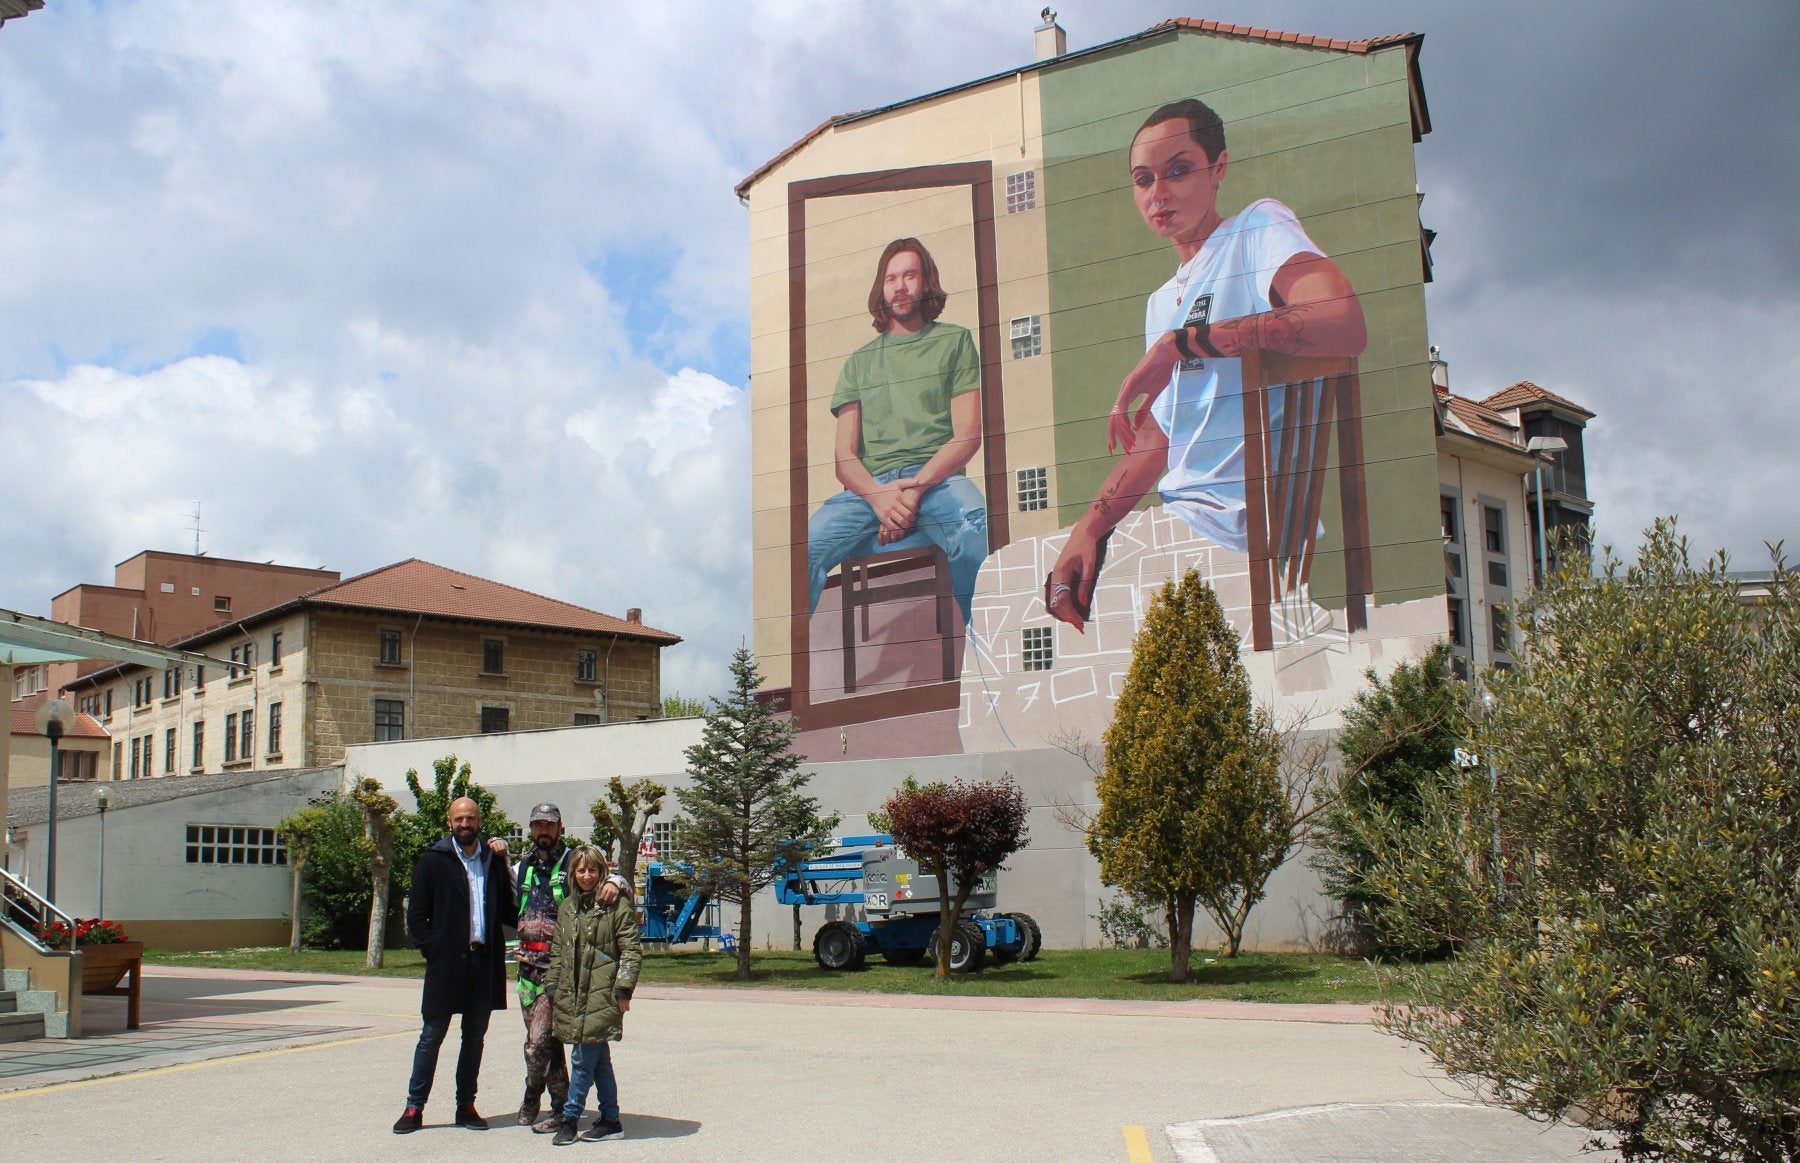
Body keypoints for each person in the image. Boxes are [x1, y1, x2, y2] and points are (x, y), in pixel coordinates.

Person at [1046, 97, 1367, 630]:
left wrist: (1184, 344)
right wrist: (1089, 527)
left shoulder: (1256, 229)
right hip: (1186, 524)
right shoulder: (1161, 302)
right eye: (1143, 180)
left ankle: (1293, 625)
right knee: (1054, 571)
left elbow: (1343, 321)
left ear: (1219, 168)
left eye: (1177, 171)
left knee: (1004, 586)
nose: (1159, 193)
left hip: (1244, 528)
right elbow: (1160, 439)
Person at [806, 237, 988, 623]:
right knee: (802, 548)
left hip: (937, 481)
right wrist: (881, 500)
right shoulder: (859, 362)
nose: (900, 286)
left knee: (976, 530)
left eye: (909, 275)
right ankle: (786, 671)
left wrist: (913, 491)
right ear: (881, 287)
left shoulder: (954, 341)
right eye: (891, 278)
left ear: (926, 282)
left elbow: (968, 434)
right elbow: (844, 458)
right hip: (869, 491)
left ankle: (983, 659)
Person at [393, 796, 515, 1134]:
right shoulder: (434, 860)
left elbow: (509, 909)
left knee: (474, 1038)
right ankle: (414, 1107)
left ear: (479, 821)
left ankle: (466, 1105)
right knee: (431, 1036)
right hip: (446, 965)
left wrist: (506, 861)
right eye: (459, 819)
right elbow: (417, 917)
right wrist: (435, 950)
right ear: (450, 823)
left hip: (483, 963)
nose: (465, 824)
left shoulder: (491, 859)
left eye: (471, 818)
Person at [511, 803, 630, 1132]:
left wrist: (617, 883)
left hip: (561, 969)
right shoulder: (524, 867)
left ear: (560, 826)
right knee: (545, 1045)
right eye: (537, 825)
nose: (543, 831)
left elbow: (610, 875)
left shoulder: (574, 860)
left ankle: (552, 1104)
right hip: (527, 971)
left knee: (539, 1045)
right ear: (531, 829)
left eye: (549, 825)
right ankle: (559, 1104)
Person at [545, 845, 641, 1145]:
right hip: (572, 995)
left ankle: (570, 1119)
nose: (587, 876)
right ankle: (611, 1120)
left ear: (602, 872)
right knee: (598, 1061)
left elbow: (631, 951)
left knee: (582, 1060)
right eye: (581, 870)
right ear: (573, 873)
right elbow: (558, 952)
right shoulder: (567, 909)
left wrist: (623, 988)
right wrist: (552, 985)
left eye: (593, 870)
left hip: (602, 995)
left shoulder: (616, 907)